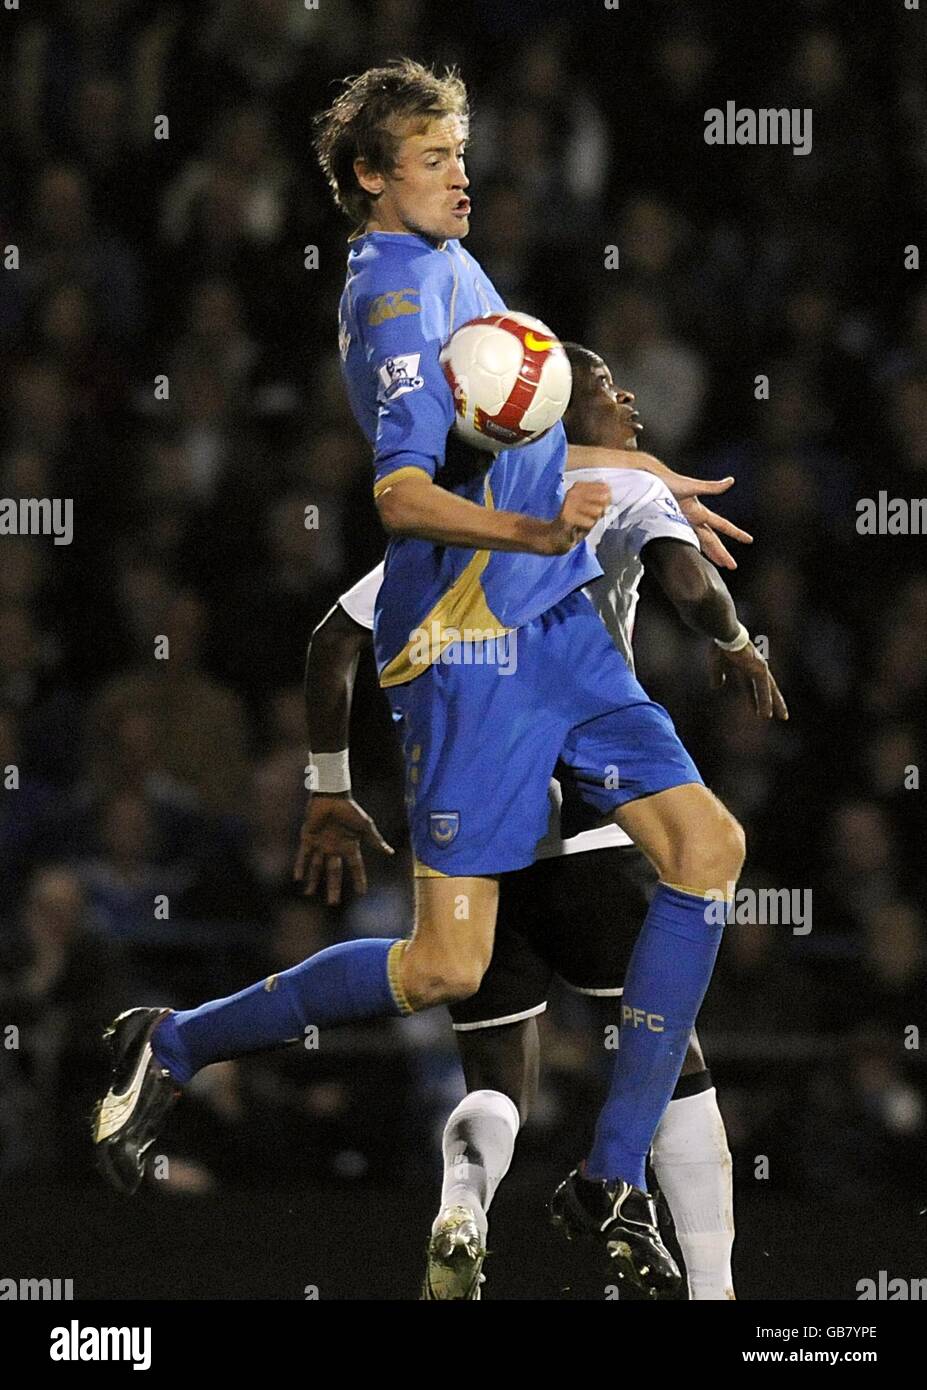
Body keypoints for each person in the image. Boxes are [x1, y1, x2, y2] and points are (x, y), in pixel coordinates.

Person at [93, 60, 750, 1297]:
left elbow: (514, 429)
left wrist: (619, 471)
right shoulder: (393, 300)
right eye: (436, 158)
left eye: (462, 152)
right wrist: (538, 533)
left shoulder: (445, 257)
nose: (463, 175)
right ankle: (173, 1043)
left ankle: (609, 1176)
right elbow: (401, 495)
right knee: (445, 968)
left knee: (709, 852)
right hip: (462, 649)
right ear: (368, 179)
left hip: (550, 624)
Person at [297, 345, 786, 1299]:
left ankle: (463, 1206)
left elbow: (333, 642)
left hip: (474, 834)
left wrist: (329, 783)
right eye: (606, 385)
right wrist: (733, 640)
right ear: (556, 407)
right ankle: (714, 1287)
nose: (627, 398)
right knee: (670, 1049)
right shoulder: (614, 489)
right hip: (591, 824)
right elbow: (692, 589)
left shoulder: (458, 521)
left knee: (493, 1078)